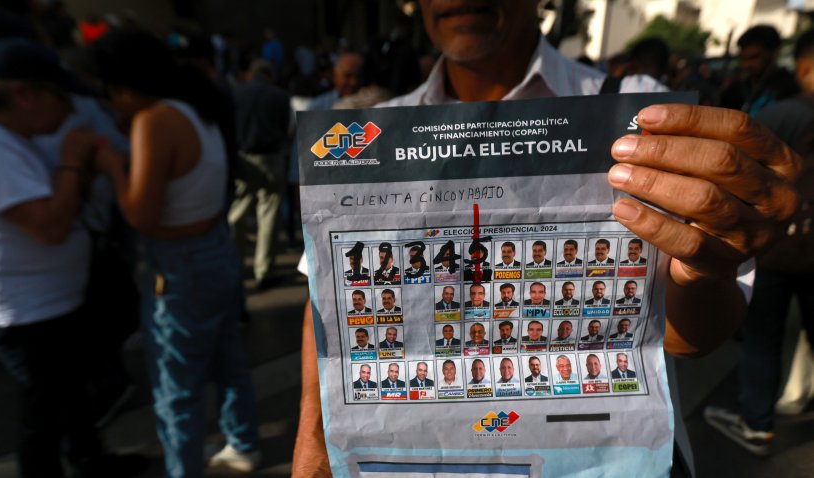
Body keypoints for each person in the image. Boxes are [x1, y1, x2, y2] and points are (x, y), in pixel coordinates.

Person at [293, 1, 803, 474]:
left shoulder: (635, 109)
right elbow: (326, 303)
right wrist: (312, 443)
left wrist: (706, 261)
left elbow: (692, 337)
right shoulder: (375, 132)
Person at [0, 38, 146, 478]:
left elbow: (58, 204)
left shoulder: (14, 139)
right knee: (43, 411)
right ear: (24, 95)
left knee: (70, 395)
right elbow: (49, 226)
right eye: (60, 98)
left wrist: (78, 171)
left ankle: (90, 460)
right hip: (24, 312)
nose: (68, 112)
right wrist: (71, 160)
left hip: (49, 302)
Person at [87, 29, 261, 475]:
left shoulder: (155, 120)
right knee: (227, 359)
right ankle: (243, 443)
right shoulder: (196, 106)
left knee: (176, 383)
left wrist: (111, 166)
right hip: (216, 251)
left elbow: (141, 216)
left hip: (179, 264)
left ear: (122, 86)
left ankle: (184, 469)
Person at [704, 28, 814, 456]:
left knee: (762, 337)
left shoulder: (786, 109)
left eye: (755, 56)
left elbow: (730, 154)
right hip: (786, 244)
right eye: (744, 57)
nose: (749, 64)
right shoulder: (764, 94)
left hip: (779, 246)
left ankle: (757, 423)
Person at [228, 58, 293, 290]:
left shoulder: (236, 94)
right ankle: (263, 270)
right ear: (270, 75)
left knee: (238, 210)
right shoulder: (281, 96)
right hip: (271, 158)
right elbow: (288, 129)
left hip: (243, 157)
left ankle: (234, 265)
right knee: (268, 214)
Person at [720, 25, 798, 116]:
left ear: (773, 53)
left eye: (754, 57)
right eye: (743, 59)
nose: (746, 65)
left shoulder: (789, 89)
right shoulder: (736, 89)